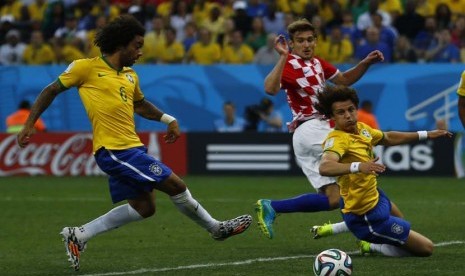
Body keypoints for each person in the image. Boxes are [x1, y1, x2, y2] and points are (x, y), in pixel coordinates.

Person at [16, 15, 252, 271]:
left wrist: (167, 118)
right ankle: (215, 228)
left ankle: (79, 234)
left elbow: (139, 104)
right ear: (120, 44)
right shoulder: (85, 68)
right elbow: (51, 90)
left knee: (144, 207)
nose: (140, 52)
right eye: (137, 45)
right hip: (114, 150)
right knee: (176, 185)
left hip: (131, 148)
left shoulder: (130, 76)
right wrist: (29, 124)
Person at [255, 18, 385, 239]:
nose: (306, 45)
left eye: (309, 40)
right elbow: (269, 88)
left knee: (334, 198)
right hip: (310, 127)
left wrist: (365, 63)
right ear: (292, 44)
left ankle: (272, 206)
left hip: (313, 132)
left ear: (315, 41)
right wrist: (284, 56)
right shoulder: (290, 64)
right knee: (359, 167)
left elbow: (343, 80)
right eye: (300, 41)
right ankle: (374, 231)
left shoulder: (317, 63)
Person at [316, 85, 451, 257]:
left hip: (376, 196)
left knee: (402, 226)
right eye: (341, 112)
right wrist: (359, 166)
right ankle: (370, 246)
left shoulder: (362, 129)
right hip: (365, 215)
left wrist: (426, 134)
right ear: (331, 117)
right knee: (426, 249)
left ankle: (334, 228)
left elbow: (387, 137)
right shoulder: (337, 140)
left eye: (351, 109)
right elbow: (325, 166)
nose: (348, 115)